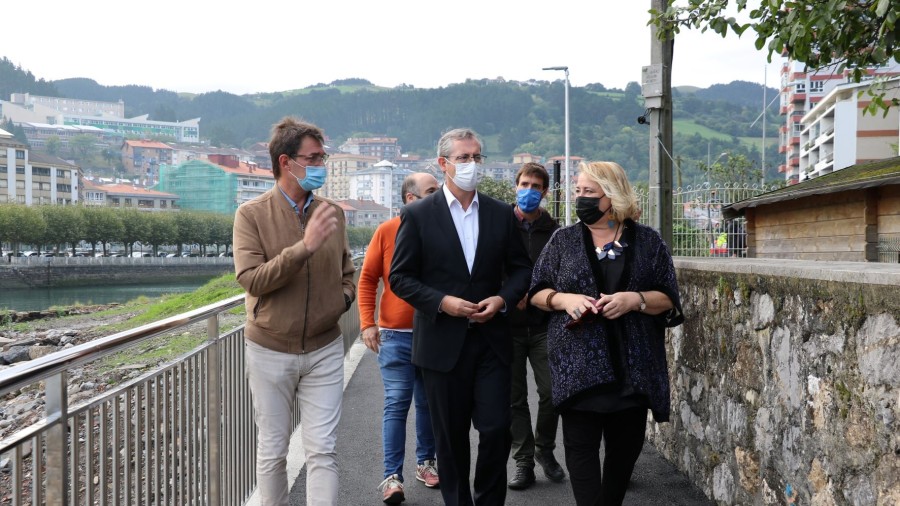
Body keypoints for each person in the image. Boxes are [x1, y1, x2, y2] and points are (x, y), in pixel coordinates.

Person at [389, 128, 533, 506]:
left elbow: (521, 269)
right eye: (464, 158)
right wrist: (442, 302)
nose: (472, 164)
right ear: (444, 164)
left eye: (477, 157)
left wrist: (502, 299)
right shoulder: (417, 214)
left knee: (497, 429)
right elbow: (400, 278)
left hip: (492, 343)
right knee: (449, 439)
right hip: (441, 343)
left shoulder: (502, 214)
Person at [528, 161, 684, 506]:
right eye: (578, 191)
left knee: (623, 454)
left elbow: (669, 299)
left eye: (589, 192)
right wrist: (563, 298)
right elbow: (536, 292)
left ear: (612, 196)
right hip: (577, 370)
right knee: (581, 453)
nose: (580, 198)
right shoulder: (563, 240)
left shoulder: (647, 242)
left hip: (633, 373)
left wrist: (636, 300)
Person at [233, 117, 356, 506]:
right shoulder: (251, 214)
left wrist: (340, 302)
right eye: (314, 157)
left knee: (323, 450)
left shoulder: (332, 212)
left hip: (324, 348)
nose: (322, 164)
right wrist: (303, 247)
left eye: (323, 156)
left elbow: (348, 273)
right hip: (269, 349)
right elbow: (252, 279)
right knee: (273, 450)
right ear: (286, 162)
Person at [358, 172, 441, 504]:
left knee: (428, 404)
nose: (440, 196)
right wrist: (367, 324)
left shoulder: (443, 231)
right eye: (432, 192)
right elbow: (367, 279)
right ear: (412, 199)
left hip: (434, 333)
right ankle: (391, 476)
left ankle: (426, 463)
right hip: (395, 335)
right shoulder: (387, 231)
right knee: (397, 402)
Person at [506, 162, 565, 490]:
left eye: (535, 185)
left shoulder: (555, 231)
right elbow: (488, 263)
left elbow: (561, 271)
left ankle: (545, 449)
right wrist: (509, 293)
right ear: (516, 186)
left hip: (544, 324)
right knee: (513, 398)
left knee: (551, 392)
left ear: (545, 191)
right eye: (524, 183)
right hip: (508, 326)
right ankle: (523, 460)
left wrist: (540, 295)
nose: (529, 190)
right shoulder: (500, 225)